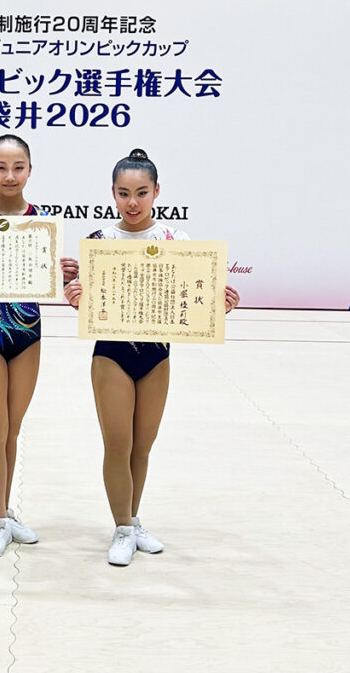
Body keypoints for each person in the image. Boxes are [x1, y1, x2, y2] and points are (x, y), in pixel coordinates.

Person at [63, 148, 240, 567]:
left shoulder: (176, 242)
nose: (133, 202)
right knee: (118, 445)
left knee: (142, 447)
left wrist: (220, 306)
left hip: (157, 356)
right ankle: (122, 528)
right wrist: (76, 297)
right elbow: (90, 302)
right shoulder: (100, 242)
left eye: (141, 192)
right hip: (112, 355)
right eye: (124, 193)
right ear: (112, 193)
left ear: (157, 191)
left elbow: (195, 300)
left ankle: (133, 518)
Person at [0, 134, 77, 558]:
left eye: (18, 167)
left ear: (30, 171)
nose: (9, 176)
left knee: (13, 429)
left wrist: (67, 274)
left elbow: (52, 281)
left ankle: (6, 513)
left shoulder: (43, 224)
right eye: (1, 167)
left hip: (28, 332)